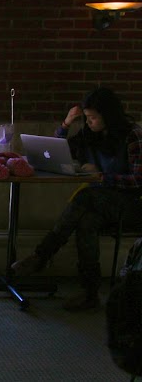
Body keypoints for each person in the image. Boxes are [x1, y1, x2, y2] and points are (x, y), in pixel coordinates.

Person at [11, 86, 142, 311]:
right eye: (87, 117)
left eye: (93, 118)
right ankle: (90, 293)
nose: (89, 122)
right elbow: (54, 151)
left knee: (84, 196)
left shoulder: (132, 136)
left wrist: (101, 176)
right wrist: (66, 124)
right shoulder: (90, 134)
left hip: (130, 204)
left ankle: (42, 255)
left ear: (108, 116)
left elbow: (138, 180)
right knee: (87, 221)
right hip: (99, 202)